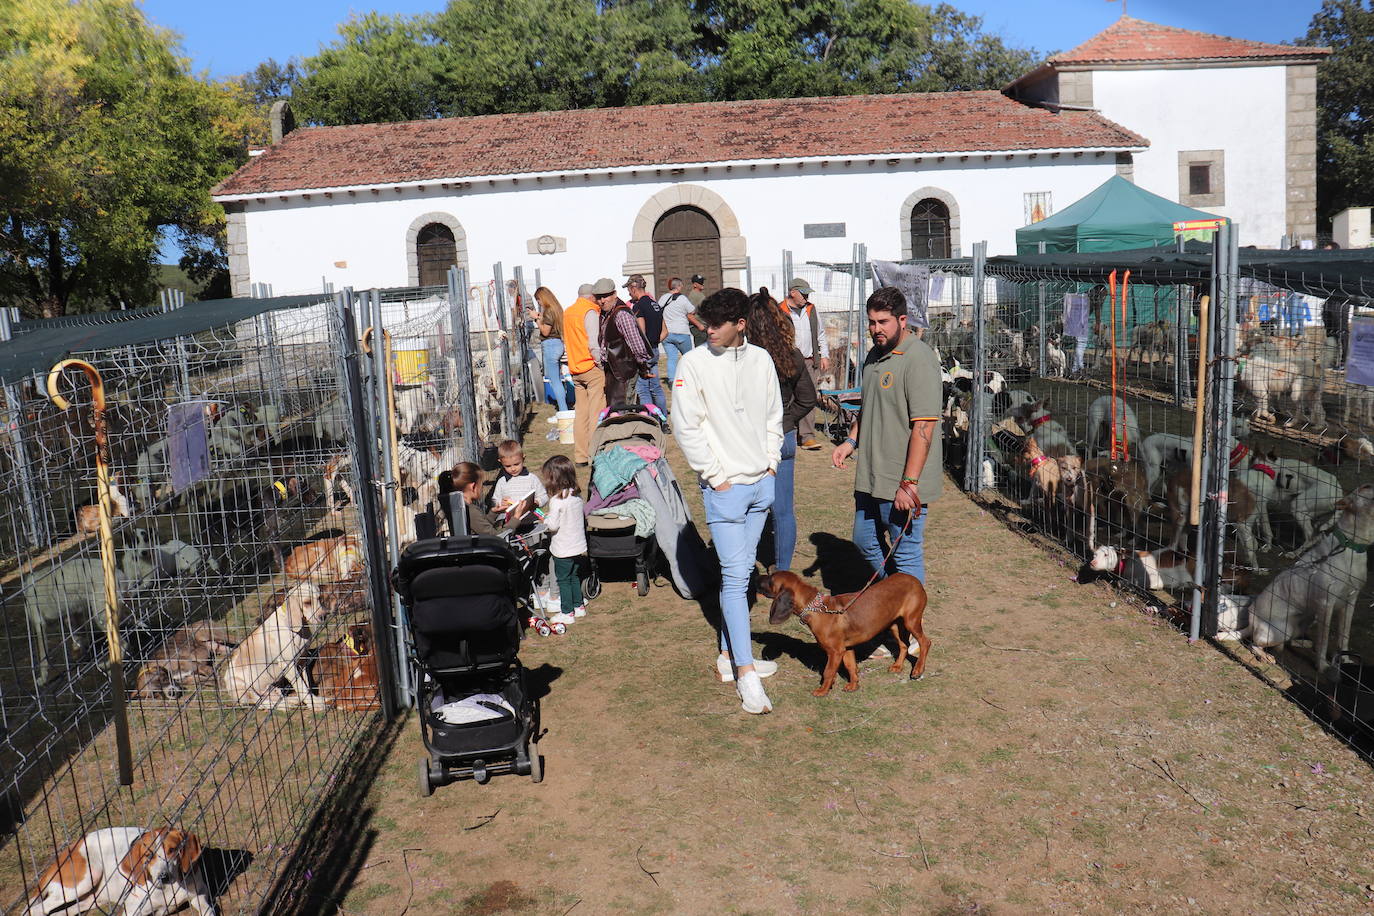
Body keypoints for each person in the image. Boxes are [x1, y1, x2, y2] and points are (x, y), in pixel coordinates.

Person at [674, 287, 783, 715]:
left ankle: (727, 657)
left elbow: (774, 414)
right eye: (705, 322)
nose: (708, 330)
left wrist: (771, 463)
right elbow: (686, 427)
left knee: (738, 575)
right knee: (737, 578)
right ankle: (745, 673)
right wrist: (716, 477)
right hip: (725, 488)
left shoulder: (761, 359)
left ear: (741, 324)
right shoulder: (693, 363)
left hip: (761, 484)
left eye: (717, 324)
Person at [831, 286, 942, 586]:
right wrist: (851, 441)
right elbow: (869, 406)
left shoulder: (918, 359)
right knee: (864, 541)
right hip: (870, 475)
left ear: (902, 320)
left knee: (905, 552)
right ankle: (892, 600)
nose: (875, 329)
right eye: (871, 322)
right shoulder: (873, 355)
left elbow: (924, 427)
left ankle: (908, 624)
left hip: (900, 480)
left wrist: (910, 484)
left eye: (883, 322)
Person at [747, 288, 816, 573]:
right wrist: (787, 423)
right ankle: (782, 570)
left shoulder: (745, 360)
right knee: (783, 511)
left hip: (751, 440)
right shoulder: (792, 355)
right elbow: (808, 399)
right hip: (783, 438)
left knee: (749, 509)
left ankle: (745, 566)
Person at [540, 455, 588, 626]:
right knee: (574, 576)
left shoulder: (556, 501)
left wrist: (544, 519)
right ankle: (579, 605)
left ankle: (567, 612)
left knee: (563, 580)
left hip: (563, 548)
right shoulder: (576, 497)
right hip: (578, 546)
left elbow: (552, 526)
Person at [592, 277, 653, 410]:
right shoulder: (606, 314)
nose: (602, 301)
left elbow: (636, 343)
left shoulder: (621, 314)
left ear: (614, 294)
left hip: (625, 371)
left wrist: (642, 366)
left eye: (606, 296)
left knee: (624, 410)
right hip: (614, 371)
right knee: (616, 410)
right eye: (599, 297)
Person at [783, 278, 830, 450]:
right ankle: (790, 433)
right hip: (788, 361)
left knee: (808, 398)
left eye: (807, 293)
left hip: (809, 360)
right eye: (803, 293)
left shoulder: (811, 309)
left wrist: (824, 355)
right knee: (789, 398)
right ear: (792, 292)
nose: (806, 296)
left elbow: (821, 333)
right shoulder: (780, 310)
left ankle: (807, 436)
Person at [563, 282, 605, 467]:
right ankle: (595, 454)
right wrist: (600, 364)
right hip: (591, 367)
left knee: (581, 414)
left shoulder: (568, 311)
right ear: (591, 297)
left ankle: (580, 456)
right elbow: (594, 341)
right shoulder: (590, 312)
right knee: (596, 412)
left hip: (575, 369)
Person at [626, 274, 668, 418]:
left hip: (644, 352)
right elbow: (665, 331)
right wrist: (654, 343)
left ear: (633, 288)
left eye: (629, 289)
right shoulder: (655, 304)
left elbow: (641, 333)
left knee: (643, 389)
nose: (628, 293)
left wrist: (642, 350)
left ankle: (650, 420)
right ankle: (663, 421)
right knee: (656, 388)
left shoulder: (639, 306)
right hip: (654, 349)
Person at [529, 286, 569, 415]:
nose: (539, 303)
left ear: (543, 298)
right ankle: (564, 408)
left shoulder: (548, 311)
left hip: (550, 346)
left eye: (538, 300)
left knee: (555, 381)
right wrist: (540, 317)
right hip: (558, 344)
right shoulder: (557, 309)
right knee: (558, 379)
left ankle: (563, 411)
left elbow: (545, 331)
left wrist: (536, 319)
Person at [491, 440, 549, 525]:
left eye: (516, 464)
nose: (513, 468)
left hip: (531, 519)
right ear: (501, 462)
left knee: (534, 536)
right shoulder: (502, 482)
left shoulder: (532, 478)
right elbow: (494, 500)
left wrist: (537, 502)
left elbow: (544, 496)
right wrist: (500, 503)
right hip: (511, 522)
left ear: (523, 458)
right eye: (508, 466)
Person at [660, 277, 701, 389]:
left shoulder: (663, 298)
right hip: (682, 332)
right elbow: (692, 310)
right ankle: (692, 378)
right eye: (681, 285)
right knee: (688, 357)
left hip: (667, 334)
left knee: (672, 358)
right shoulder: (682, 298)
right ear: (678, 286)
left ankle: (672, 380)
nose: (682, 287)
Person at [449, 461, 501, 537]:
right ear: (473, 487)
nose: (482, 488)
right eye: (481, 484)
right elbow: (497, 537)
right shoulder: (471, 511)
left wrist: (493, 513)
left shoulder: (459, 506)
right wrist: (515, 520)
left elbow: (480, 526)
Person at [686, 274, 708, 348]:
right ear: (695, 284)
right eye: (700, 282)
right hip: (699, 330)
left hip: (704, 328)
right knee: (701, 352)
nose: (703, 284)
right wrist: (700, 326)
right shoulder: (694, 296)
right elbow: (689, 314)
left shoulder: (699, 294)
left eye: (702, 282)